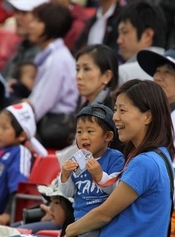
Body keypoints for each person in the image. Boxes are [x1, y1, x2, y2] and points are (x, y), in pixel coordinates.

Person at [65, 79, 175, 237]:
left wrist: (72, 229)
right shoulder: (157, 157)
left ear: (148, 116)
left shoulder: (145, 162)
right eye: (115, 109)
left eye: (122, 110)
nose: (115, 117)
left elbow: (105, 213)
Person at [58, 103, 125, 237]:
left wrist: (99, 175)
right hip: (81, 217)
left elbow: (116, 191)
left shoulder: (115, 158)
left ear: (108, 136)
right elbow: (68, 192)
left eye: (90, 131)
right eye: (79, 132)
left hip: (103, 218)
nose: (83, 136)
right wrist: (64, 175)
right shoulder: (77, 158)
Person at [137, 43, 175, 237]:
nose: (157, 77)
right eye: (157, 71)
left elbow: (173, 183)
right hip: (149, 209)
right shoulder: (157, 112)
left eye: (168, 72)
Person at [22, 2, 79, 149]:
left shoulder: (58, 59)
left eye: (38, 21)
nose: (31, 25)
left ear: (52, 26)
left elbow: (39, 106)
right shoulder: (51, 56)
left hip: (56, 126)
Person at [0, 102, 47, 225]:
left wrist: (7, 214)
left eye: (4, 128)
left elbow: (18, 187)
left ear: (22, 135)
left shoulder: (20, 152)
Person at [75, 43, 123, 151]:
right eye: (77, 69)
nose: (79, 76)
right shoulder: (86, 106)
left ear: (106, 76)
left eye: (86, 69)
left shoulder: (114, 110)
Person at [118, 1, 167, 85]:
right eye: (119, 34)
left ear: (147, 35)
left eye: (125, 32)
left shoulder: (123, 73)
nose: (119, 40)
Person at [2, 0, 48, 81]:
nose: (17, 17)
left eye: (24, 12)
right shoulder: (21, 49)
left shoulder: (43, 53)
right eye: (16, 11)